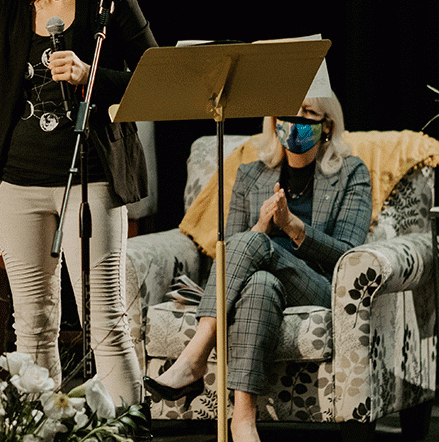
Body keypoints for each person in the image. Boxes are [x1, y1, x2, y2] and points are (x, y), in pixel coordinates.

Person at [0, 0, 156, 407]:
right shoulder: (0, 10)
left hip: (91, 181)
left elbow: (160, 81)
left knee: (106, 321)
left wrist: (89, 75)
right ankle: (40, 429)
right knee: (30, 324)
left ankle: (130, 428)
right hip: (16, 187)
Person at [143, 95, 372, 442]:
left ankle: (196, 354)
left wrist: (293, 227)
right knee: (260, 283)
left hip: (317, 284)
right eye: (287, 114)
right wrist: (263, 226)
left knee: (257, 246)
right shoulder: (252, 173)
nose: (295, 122)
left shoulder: (350, 172)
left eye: (308, 113)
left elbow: (347, 253)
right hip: (260, 283)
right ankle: (243, 420)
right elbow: (230, 248)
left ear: (327, 125)